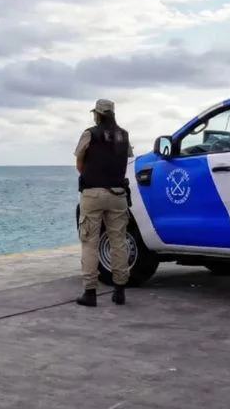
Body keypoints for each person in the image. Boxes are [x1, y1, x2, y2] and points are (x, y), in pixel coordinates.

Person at [73, 98, 133, 307]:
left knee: (89, 241)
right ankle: (120, 291)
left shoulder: (90, 133)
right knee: (119, 241)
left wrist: (92, 174)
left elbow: (79, 162)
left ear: (97, 114)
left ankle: (90, 292)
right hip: (118, 193)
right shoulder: (123, 135)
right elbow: (128, 159)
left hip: (93, 193)